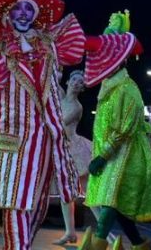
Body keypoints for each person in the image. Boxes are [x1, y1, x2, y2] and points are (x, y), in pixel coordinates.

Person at [0, 0, 140, 250]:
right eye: (18, 8)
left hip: (48, 143)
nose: (24, 13)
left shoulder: (52, 42)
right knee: (15, 206)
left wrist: (114, 42)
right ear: (5, 13)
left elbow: (87, 43)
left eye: (30, 7)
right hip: (12, 141)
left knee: (37, 208)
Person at [84, 11, 151, 250]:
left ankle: (98, 242)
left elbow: (122, 131)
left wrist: (103, 155)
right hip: (111, 154)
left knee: (111, 200)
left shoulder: (127, 89)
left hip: (124, 156)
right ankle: (138, 243)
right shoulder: (109, 88)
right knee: (115, 203)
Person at [57, 70, 93, 246]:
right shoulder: (62, 96)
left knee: (87, 191)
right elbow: (52, 84)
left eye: (81, 82)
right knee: (66, 193)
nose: (77, 83)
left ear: (82, 88)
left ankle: (103, 230)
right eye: (74, 80)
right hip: (62, 148)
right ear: (68, 82)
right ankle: (70, 232)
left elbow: (60, 125)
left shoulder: (77, 107)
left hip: (74, 149)